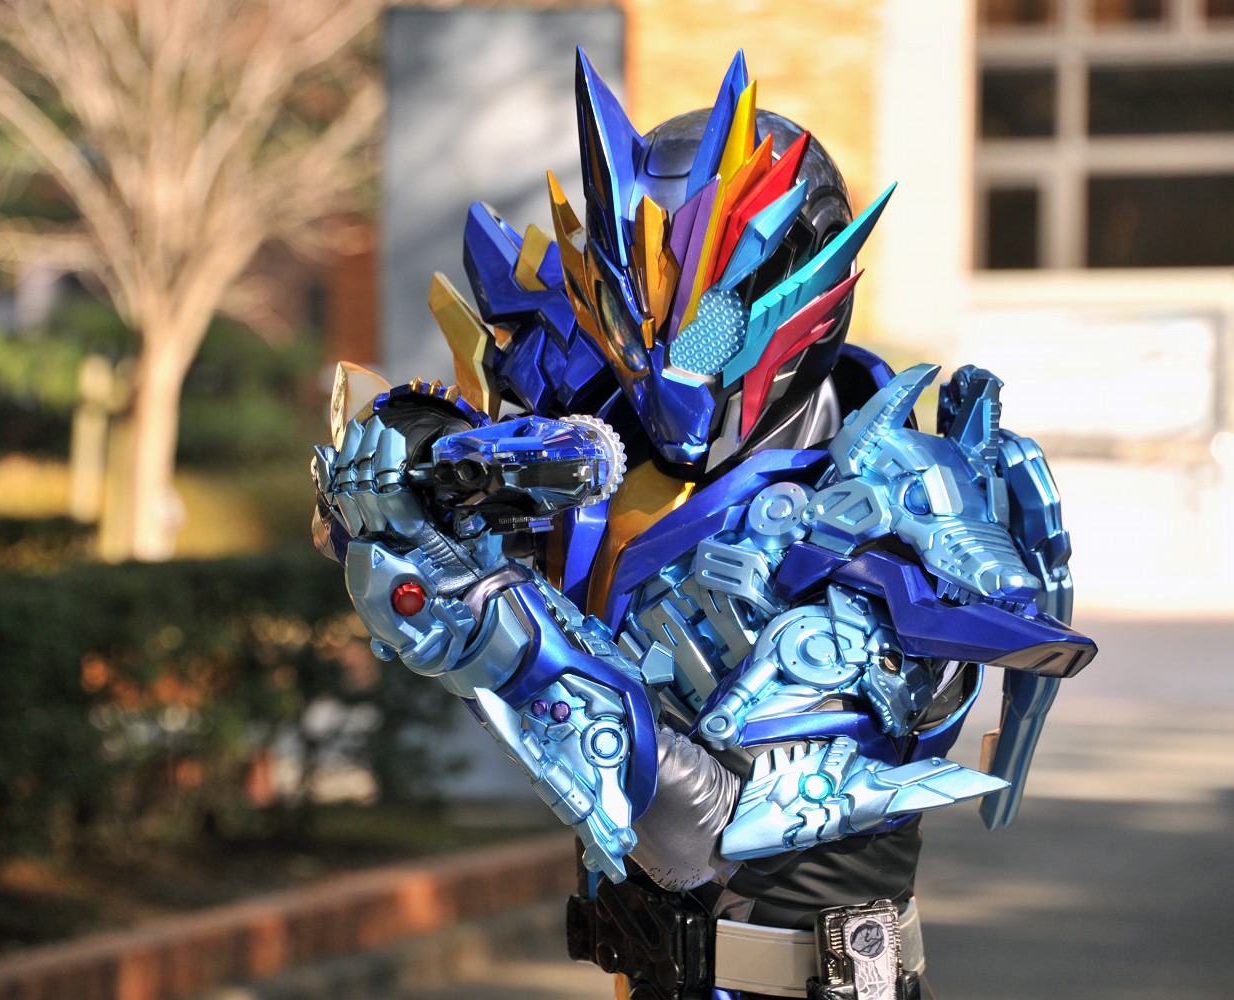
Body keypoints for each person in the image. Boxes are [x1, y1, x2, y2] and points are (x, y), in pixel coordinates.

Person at [312, 49, 1096, 1000]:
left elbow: (710, 833)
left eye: (706, 324)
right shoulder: (631, 448)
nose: (663, 365)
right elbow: (429, 495)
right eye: (637, 314)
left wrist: (494, 625)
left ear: (798, 285)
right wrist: (401, 466)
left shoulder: (898, 513)